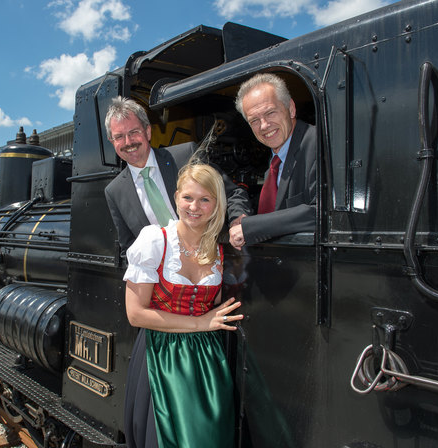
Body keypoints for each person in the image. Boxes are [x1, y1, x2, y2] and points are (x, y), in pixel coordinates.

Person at [123, 163, 243, 448]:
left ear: (216, 204)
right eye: (188, 197)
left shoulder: (219, 250)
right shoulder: (155, 240)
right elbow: (135, 314)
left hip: (206, 360)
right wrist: (201, 323)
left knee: (209, 436)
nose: (194, 207)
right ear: (176, 197)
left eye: (205, 199)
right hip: (161, 353)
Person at [104, 96, 251, 254]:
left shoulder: (187, 156)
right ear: (112, 141)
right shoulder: (114, 191)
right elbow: (129, 248)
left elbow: (232, 193)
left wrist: (238, 221)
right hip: (163, 277)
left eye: (134, 132)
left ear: (147, 132)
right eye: (119, 136)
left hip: (214, 261)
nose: (128, 142)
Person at [229, 73, 316, 249]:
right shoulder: (274, 163)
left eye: (270, 113)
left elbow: (321, 213)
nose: (264, 126)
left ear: (291, 108)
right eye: (254, 120)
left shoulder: (318, 144)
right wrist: (240, 216)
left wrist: (250, 228)